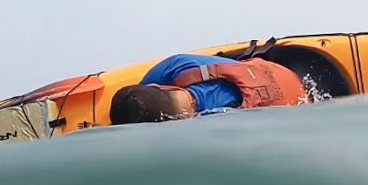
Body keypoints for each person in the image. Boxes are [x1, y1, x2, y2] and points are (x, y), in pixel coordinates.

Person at [108, 53, 310, 125]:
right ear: (157, 86)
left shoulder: (214, 122)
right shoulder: (176, 65)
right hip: (282, 73)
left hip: (301, 102)